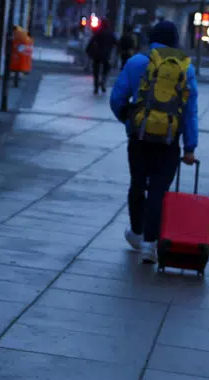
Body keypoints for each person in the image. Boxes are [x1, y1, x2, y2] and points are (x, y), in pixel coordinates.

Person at [110, 19, 199, 264]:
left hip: (139, 137)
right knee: (159, 190)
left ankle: (136, 233)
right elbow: (190, 111)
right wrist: (190, 147)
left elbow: (117, 98)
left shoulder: (137, 62)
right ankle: (151, 244)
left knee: (138, 184)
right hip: (169, 140)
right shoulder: (185, 69)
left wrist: (129, 121)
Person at [84, 21, 117, 94]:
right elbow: (116, 43)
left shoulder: (98, 33)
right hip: (106, 55)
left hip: (97, 54)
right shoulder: (110, 34)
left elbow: (91, 42)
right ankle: (103, 82)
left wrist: (89, 51)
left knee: (96, 71)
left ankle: (96, 87)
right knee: (106, 69)